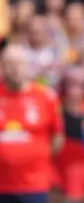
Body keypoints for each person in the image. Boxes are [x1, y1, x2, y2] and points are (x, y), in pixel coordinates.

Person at [0, 44, 64, 203]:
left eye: (19, 63)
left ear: (27, 66)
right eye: (9, 64)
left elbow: (57, 139)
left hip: (34, 185)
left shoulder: (45, 97)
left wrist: (33, 156)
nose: (14, 69)